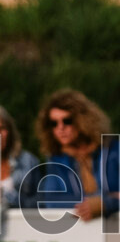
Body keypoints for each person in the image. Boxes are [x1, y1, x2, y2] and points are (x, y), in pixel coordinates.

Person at [36, 89, 119, 221]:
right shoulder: (56, 160)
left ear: (83, 120)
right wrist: (101, 200)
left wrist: (106, 204)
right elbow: (51, 200)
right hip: (82, 234)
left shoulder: (113, 150)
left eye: (67, 121)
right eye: (54, 123)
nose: (60, 127)